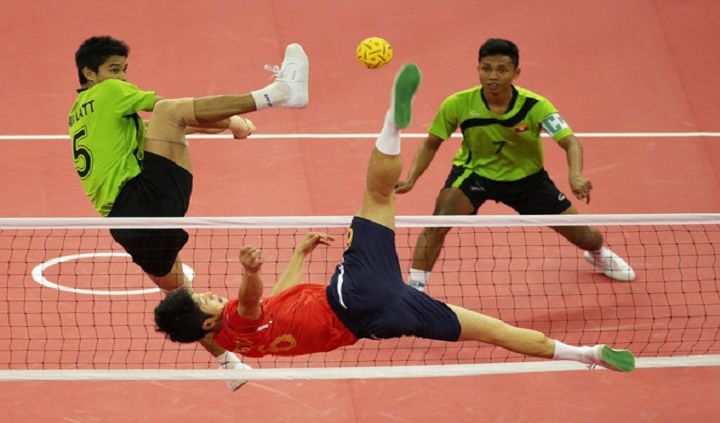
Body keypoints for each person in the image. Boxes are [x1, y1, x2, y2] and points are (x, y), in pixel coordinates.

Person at [154, 64, 636, 375]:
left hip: (380, 318)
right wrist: (250, 273)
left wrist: (298, 255)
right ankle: (392, 120)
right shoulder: (234, 316)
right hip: (352, 290)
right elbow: (253, 301)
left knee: (495, 333)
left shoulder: (236, 344)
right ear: (207, 321)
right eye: (206, 298)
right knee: (377, 194)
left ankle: (587, 356)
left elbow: (273, 306)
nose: (211, 294)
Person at [69, 35, 309, 390]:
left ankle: (228, 365)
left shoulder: (80, 112)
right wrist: (236, 117)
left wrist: (230, 124)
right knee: (170, 111)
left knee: (183, 301)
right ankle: (277, 94)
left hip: (126, 226)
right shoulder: (110, 93)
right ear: (89, 73)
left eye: (123, 70)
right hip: (144, 202)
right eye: (112, 70)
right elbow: (171, 109)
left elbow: (163, 128)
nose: (121, 77)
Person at [394, 38, 635, 292]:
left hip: (528, 181)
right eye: (486, 68)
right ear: (478, 68)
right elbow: (431, 143)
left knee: (585, 236)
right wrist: (411, 178)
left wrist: (575, 175)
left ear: (516, 72)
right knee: (438, 222)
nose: (492, 76)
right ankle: (415, 290)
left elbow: (571, 142)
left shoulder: (536, 106)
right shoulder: (458, 103)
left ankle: (597, 252)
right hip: (475, 174)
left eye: (501, 70)